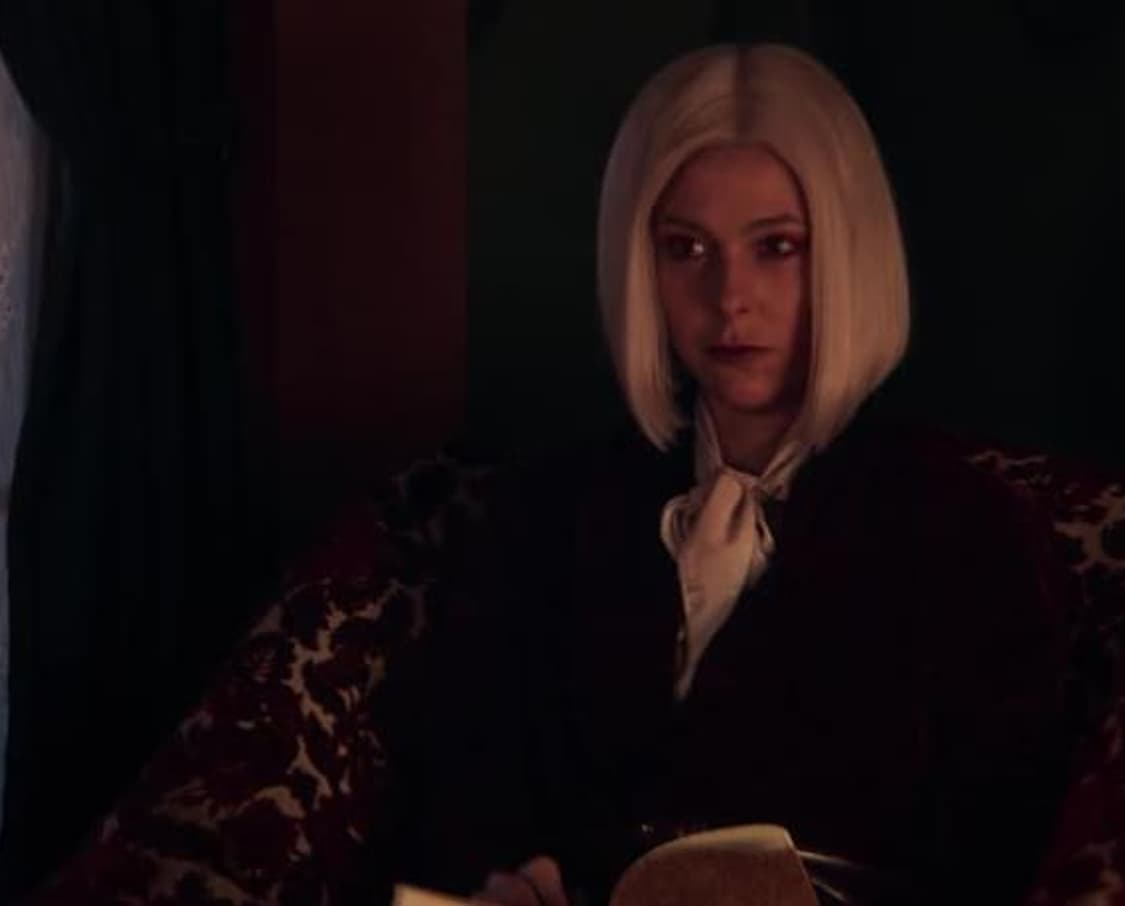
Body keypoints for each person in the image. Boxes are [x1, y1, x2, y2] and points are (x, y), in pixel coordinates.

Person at [379, 43, 1071, 905]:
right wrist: (506, 875)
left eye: (777, 247)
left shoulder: (963, 526)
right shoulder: (548, 507)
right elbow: (460, 782)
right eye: (687, 249)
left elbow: (1002, 849)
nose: (729, 297)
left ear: (847, 255)